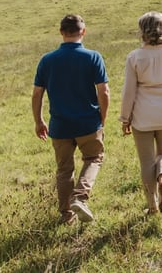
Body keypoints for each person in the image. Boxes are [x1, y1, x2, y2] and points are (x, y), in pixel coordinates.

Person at [32, 14, 110, 225]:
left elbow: (37, 94)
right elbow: (104, 91)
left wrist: (39, 121)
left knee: (64, 170)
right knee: (94, 158)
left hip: (60, 126)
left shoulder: (47, 60)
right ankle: (80, 196)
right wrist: (102, 116)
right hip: (88, 123)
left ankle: (67, 215)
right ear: (83, 32)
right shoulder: (93, 57)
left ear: (61, 33)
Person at [119, 11, 162, 214]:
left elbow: (128, 91)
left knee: (147, 162)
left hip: (142, 116)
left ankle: (152, 206)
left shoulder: (135, 57)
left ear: (143, 32)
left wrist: (125, 118)